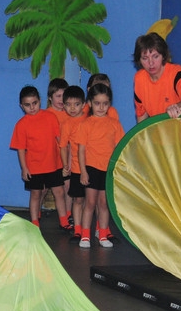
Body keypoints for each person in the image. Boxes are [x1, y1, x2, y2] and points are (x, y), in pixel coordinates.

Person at [9, 85, 70, 231]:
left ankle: (64, 221)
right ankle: (35, 222)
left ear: (40, 101)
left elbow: (60, 140)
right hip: (34, 167)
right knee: (36, 194)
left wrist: (65, 162)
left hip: (54, 164)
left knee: (59, 192)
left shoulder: (50, 117)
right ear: (21, 106)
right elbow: (21, 149)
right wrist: (24, 168)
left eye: (34, 103)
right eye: (27, 105)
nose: (32, 107)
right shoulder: (21, 125)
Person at [76, 83, 125, 248]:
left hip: (108, 170)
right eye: (97, 103)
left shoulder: (115, 124)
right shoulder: (85, 124)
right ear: (90, 103)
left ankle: (103, 235)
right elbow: (81, 151)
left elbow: (119, 148)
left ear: (109, 103)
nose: (101, 107)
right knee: (90, 203)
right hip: (91, 168)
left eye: (105, 103)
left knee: (104, 204)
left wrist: (118, 170)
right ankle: (85, 236)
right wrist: (83, 172)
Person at [133, 32, 181, 123]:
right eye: (145, 58)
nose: (151, 63)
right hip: (163, 129)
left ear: (163, 56)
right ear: (139, 60)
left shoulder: (177, 73)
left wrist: (176, 107)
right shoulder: (139, 79)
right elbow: (141, 117)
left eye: (155, 56)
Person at [58, 85, 87, 242]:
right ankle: (78, 230)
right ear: (63, 106)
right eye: (68, 104)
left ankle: (98, 230)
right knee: (78, 199)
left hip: (93, 166)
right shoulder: (66, 124)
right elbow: (63, 146)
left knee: (94, 201)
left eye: (76, 104)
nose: (72, 108)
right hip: (76, 168)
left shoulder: (90, 119)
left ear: (83, 104)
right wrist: (65, 166)